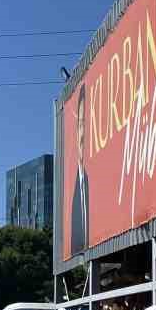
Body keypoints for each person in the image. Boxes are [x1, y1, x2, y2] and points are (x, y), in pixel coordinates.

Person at [67, 81, 89, 258]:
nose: (82, 134)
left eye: (85, 124)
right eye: (80, 125)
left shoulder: (97, 182)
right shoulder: (71, 195)